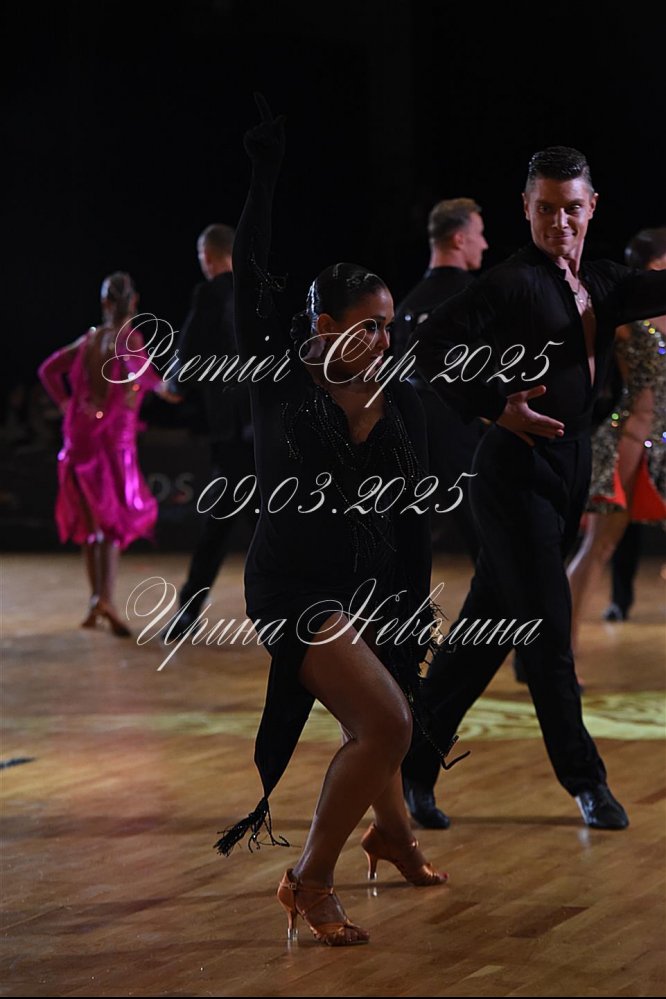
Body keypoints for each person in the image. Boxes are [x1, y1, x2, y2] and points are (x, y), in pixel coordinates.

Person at [214, 95, 453, 947]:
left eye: (389, 327)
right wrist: (264, 178)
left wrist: (411, 614)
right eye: (369, 326)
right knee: (385, 723)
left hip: (369, 586)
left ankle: (393, 836)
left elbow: (412, 518)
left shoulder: (403, 403)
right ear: (324, 327)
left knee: (382, 711)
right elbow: (249, 273)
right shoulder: (276, 380)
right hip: (291, 586)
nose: (385, 340)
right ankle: (310, 879)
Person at [401, 147, 666, 831]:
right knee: (547, 636)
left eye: (571, 208)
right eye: (545, 208)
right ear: (526, 208)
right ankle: (587, 782)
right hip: (512, 475)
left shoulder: (600, 283)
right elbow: (427, 348)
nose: (559, 221)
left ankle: (411, 763)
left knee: (482, 637)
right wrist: (494, 404)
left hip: (565, 475)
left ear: (592, 207)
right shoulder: (512, 282)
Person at [38, 272, 177, 635]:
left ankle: (95, 599)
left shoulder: (89, 339)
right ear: (135, 301)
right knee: (112, 523)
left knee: (91, 523)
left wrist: (67, 402)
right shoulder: (128, 338)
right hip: (113, 441)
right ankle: (106, 600)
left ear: (104, 303)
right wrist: (161, 387)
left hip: (80, 435)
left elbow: (48, 370)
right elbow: (137, 369)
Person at [567, 227, 666, 651]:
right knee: (599, 546)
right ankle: (562, 647)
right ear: (657, 263)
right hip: (629, 436)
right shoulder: (628, 314)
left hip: (660, 440)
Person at [165, 224, 256, 639]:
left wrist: (172, 385)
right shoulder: (258, 295)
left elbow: (187, 355)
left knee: (219, 525)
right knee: (269, 522)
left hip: (232, 434)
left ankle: (188, 611)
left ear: (207, 257)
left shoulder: (209, 294)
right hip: (263, 430)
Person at [392, 199, 488, 569]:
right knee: (483, 532)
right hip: (459, 428)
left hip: (408, 424)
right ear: (459, 239)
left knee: (405, 536)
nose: (485, 244)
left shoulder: (406, 306)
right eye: (479, 234)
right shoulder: (477, 299)